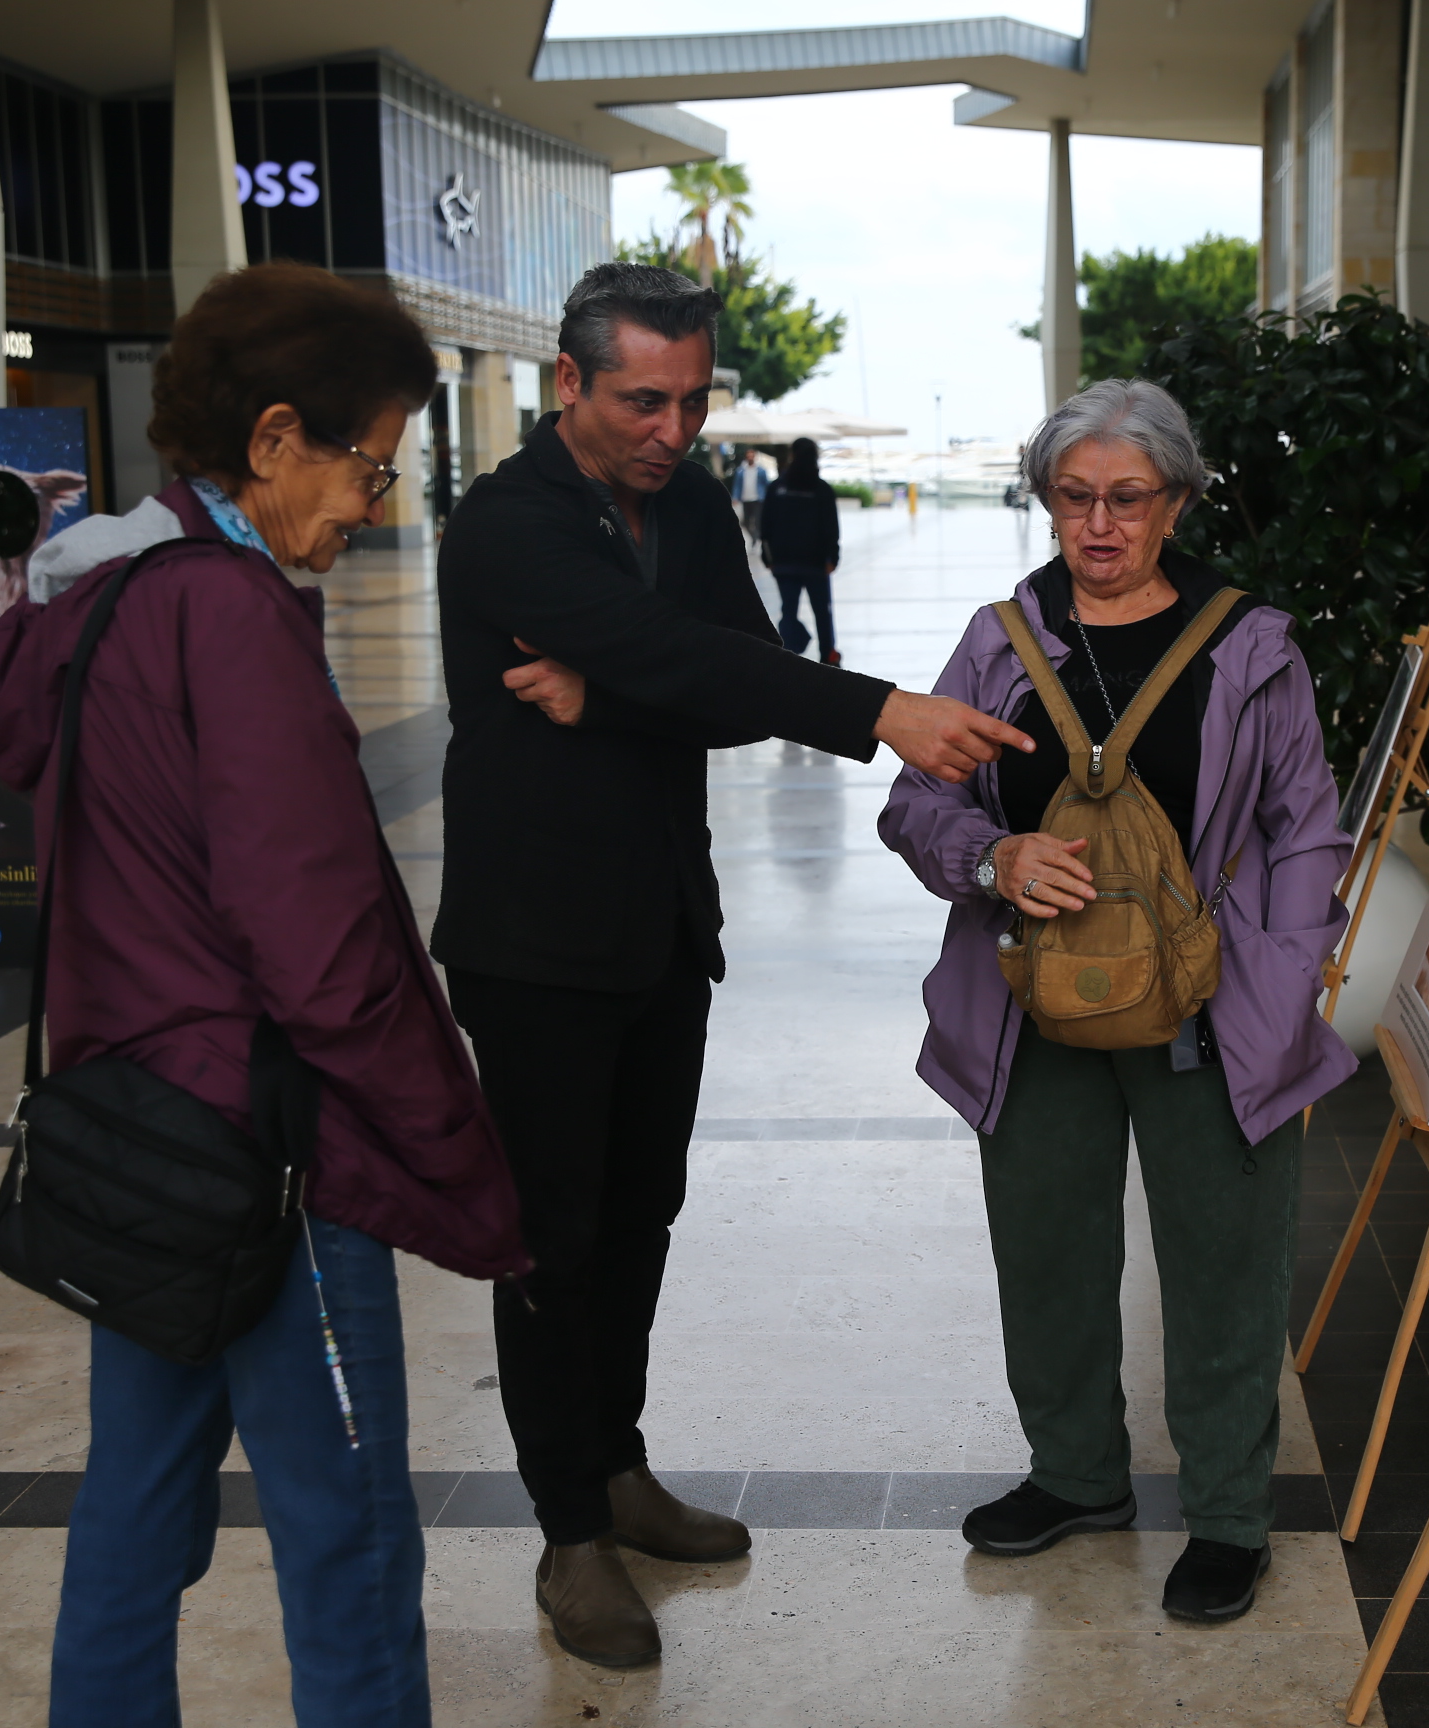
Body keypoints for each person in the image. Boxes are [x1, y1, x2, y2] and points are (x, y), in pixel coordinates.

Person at [430, 261, 1030, 1670]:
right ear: (569, 383)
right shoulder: (505, 524)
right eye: (644, 398)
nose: (672, 426)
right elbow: (671, 654)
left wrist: (617, 691)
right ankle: (569, 1530)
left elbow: (726, 671)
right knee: (553, 1240)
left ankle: (622, 1466)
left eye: (693, 398)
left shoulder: (694, 504)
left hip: (660, 927)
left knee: (643, 1212)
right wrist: (876, 707)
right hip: (534, 947)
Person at [0, 262, 526, 1728]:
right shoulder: (229, 616)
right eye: (368, 465)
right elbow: (321, 948)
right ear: (274, 438)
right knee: (346, 1537)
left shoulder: (99, 598)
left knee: (134, 1517)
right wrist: (455, 1156)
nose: (376, 504)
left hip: (133, 1141)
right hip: (266, 1157)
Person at [879, 378, 1357, 1623]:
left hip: (1212, 1009)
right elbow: (916, 802)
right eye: (1074, 498)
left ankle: (1231, 1518)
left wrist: (1287, 970)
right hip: (1031, 1003)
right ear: (1047, 503)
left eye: (1128, 499)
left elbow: (1305, 827)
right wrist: (994, 859)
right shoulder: (999, 640)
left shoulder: (1252, 645)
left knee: (1223, 1264)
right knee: (1044, 1246)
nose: (1099, 525)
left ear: (1177, 503)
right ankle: (1077, 1476)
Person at [759, 435, 841, 665]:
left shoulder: (778, 487)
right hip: (815, 563)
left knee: (788, 611)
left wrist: (768, 557)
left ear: (792, 456)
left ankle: (788, 656)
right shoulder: (821, 489)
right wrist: (832, 557)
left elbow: (765, 526)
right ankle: (829, 655)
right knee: (822, 613)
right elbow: (831, 528)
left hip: (784, 563)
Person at [731, 443, 770, 546]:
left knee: (757, 520)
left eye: (752, 456)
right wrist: (735, 497)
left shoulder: (761, 471)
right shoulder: (741, 471)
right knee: (746, 522)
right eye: (748, 456)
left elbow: (766, 484)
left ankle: (756, 538)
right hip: (745, 498)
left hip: (758, 498)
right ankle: (754, 537)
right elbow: (737, 485)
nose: (750, 458)